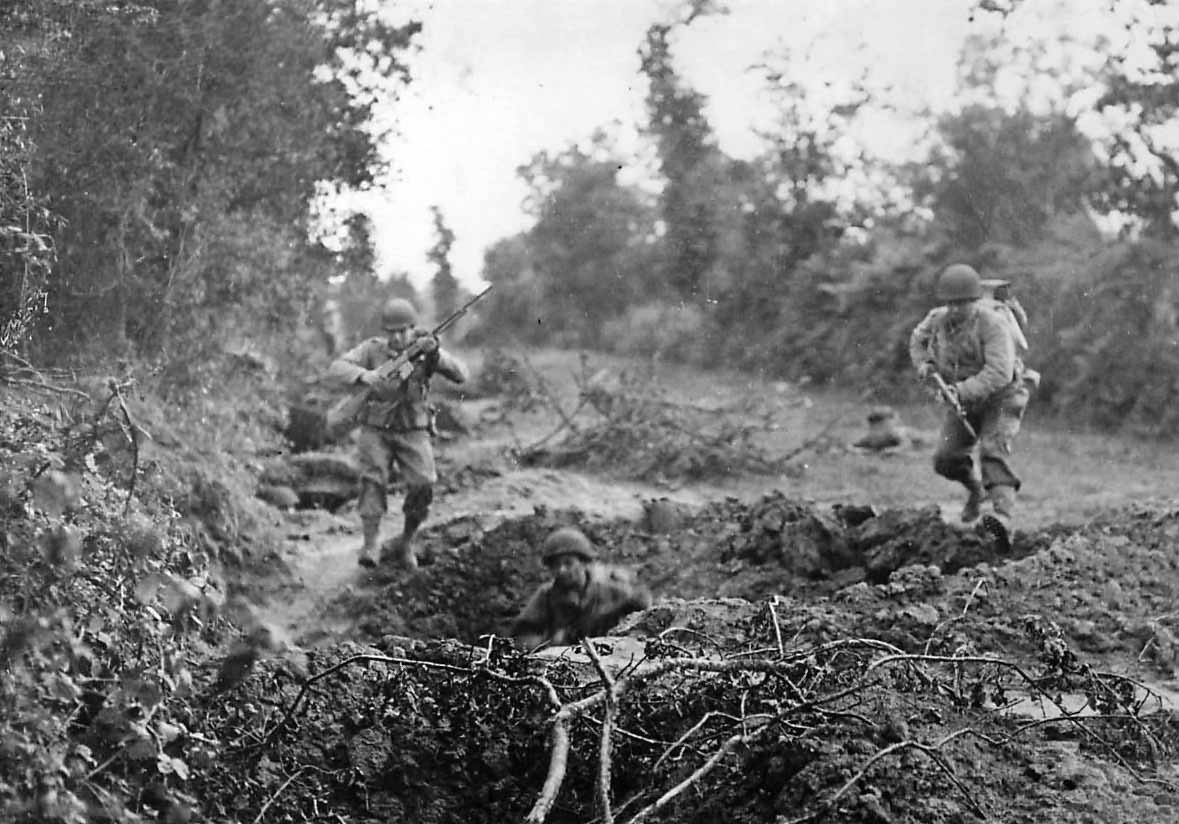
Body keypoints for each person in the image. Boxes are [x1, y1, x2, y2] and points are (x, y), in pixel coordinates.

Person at [328, 296, 468, 569]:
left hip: (413, 430)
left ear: (413, 328)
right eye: (392, 332)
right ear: (384, 331)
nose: (397, 337)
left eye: (403, 331)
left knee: (423, 485)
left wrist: (435, 354)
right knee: (372, 481)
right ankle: (370, 544)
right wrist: (364, 376)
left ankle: (407, 541)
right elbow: (337, 368)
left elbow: (462, 374)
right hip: (376, 430)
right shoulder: (372, 350)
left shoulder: (425, 348)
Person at [909, 263, 1031, 537]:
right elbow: (917, 340)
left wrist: (960, 391)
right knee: (945, 458)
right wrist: (925, 366)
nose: (955, 310)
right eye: (950, 303)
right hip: (962, 399)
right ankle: (975, 491)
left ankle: (1002, 516)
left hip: (1002, 397)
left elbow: (1000, 372)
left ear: (975, 301)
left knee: (992, 450)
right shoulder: (937, 319)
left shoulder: (992, 324)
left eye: (962, 303)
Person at [509, 527, 653, 650]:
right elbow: (522, 637)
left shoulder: (610, 591)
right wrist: (549, 644)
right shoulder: (546, 595)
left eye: (568, 563)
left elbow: (643, 610)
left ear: (584, 563)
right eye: (556, 565)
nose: (561, 570)